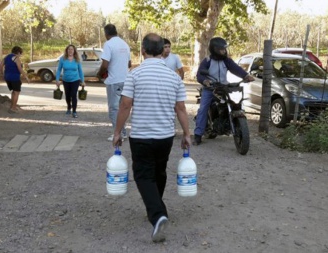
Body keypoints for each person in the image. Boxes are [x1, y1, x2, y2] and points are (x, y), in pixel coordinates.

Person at [112, 33, 191, 243]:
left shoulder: (134, 75)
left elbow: (125, 105)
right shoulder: (174, 76)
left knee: (143, 175)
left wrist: (118, 132)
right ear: (163, 51)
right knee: (159, 172)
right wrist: (187, 133)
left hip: (141, 136)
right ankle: (157, 207)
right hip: (165, 137)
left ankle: (157, 216)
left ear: (143, 51)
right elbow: (181, 108)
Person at [193, 37, 254, 145]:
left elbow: (236, 69)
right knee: (203, 109)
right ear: (215, 49)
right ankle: (198, 134)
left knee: (235, 103)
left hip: (224, 88)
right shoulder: (207, 61)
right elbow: (199, 75)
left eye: (225, 49)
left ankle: (230, 123)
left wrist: (246, 75)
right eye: (222, 49)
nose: (224, 51)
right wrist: (205, 81)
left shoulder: (227, 60)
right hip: (210, 89)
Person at [97, 24, 131, 141]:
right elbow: (129, 64)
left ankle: (119, 133)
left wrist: (100, 74)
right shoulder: (125, 44)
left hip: (114, 81)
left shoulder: (109, 44)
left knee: (113, 108)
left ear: (106, 34)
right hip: (125, 80)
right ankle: (123, 131)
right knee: (123, 107)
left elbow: (105, 64)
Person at [56, 44, 86, 118]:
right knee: (67, 95)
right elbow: (59, 69)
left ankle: (74, 111)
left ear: (74, 51)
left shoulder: (77, 60)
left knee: (73, 95)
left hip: (75, 80)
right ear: (67, 51)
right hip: (65, 80)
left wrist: (82, 81)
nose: (70, 51)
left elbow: (80, 71)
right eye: (69, 49)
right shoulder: (63, 59)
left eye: (72, 49)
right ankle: (69, 107)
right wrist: (57, 80)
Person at [0, 46, 30, 113]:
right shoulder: (16, 58)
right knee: (16, 92)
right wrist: (26, 77)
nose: (20, 55)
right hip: (14, 77)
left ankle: (12, 106)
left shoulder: (7, 57)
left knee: (13, 92)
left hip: (7, 77)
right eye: (20, 53)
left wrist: (1, 73)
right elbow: (20, 69)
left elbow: (1, 65)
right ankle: (13, 108)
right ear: (18, 52)